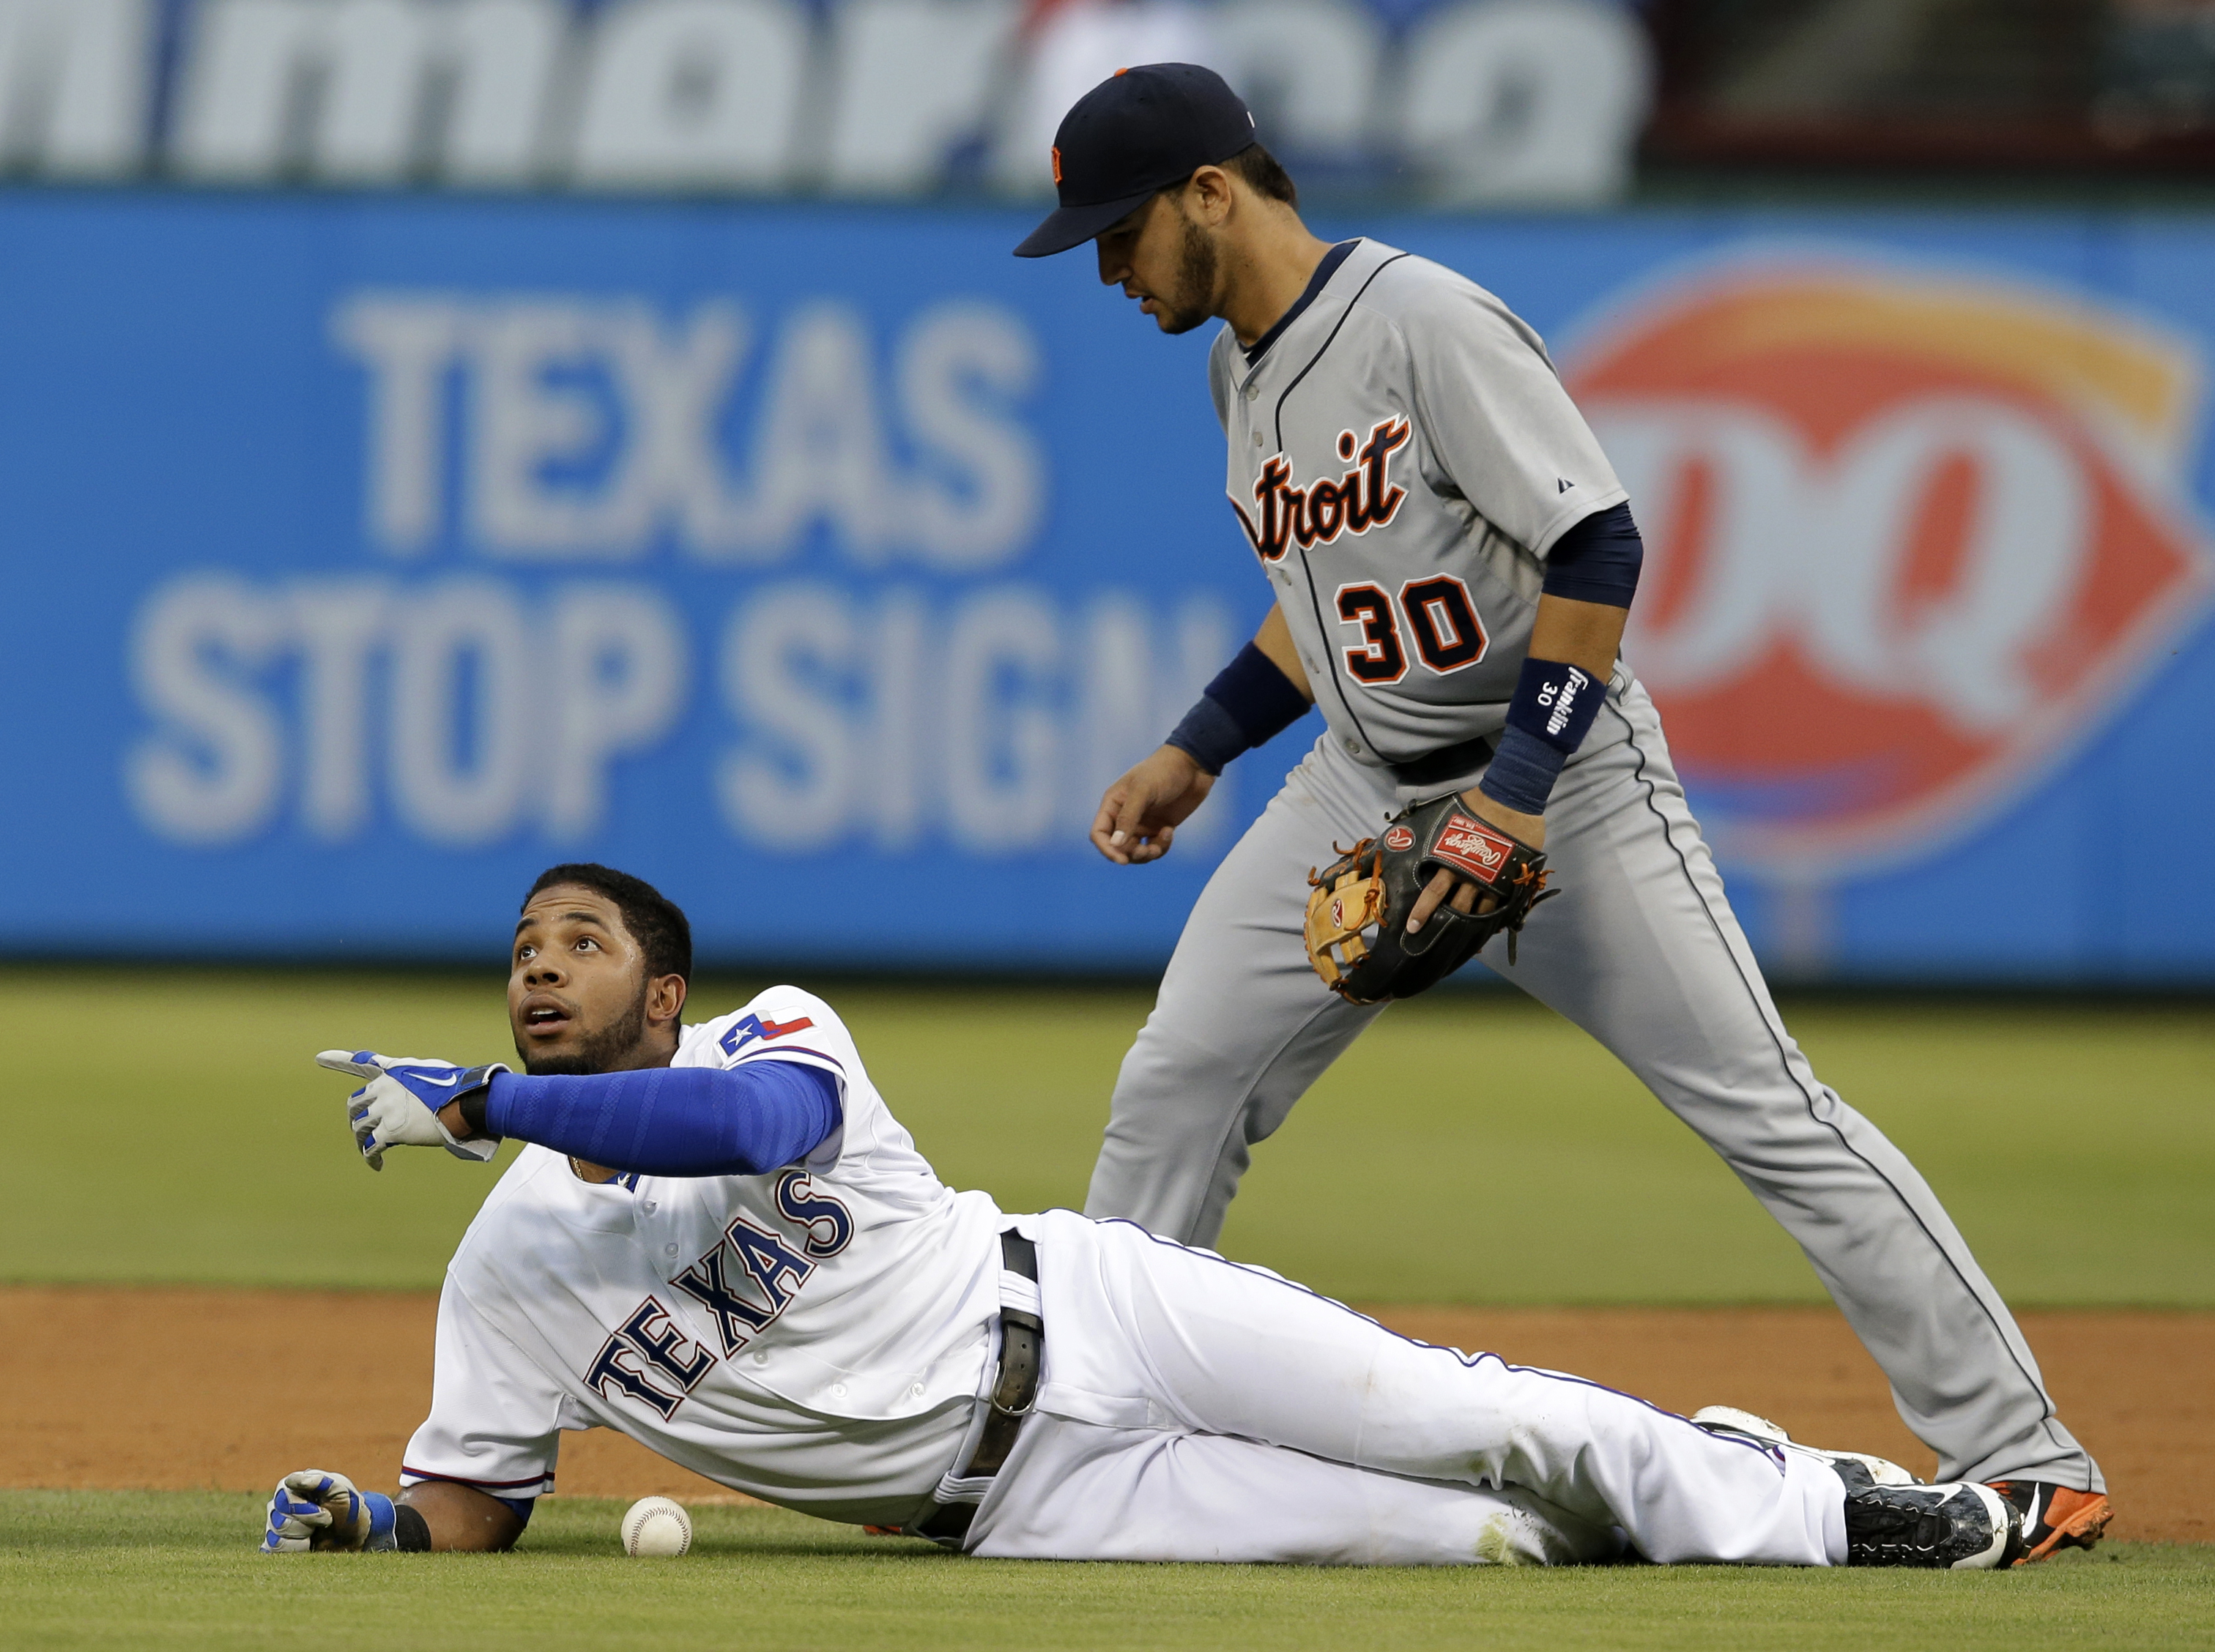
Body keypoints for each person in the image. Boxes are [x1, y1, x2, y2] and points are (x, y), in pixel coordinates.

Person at [1009, 64, 2109, 1561]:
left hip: (1560, 781)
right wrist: (1199, 746)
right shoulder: (1239, 368)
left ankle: (2028, 1455)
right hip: (1356, 782)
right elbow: (1325, 601)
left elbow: (1593, 542)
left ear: (1211, 192)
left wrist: (1516, 800)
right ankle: (1087, 1434)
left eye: (1119, 234)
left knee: (1767, 1111)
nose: (1111, 272)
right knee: (1177, 1086)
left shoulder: (1422, 322)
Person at [260, 863, 2026, 1571]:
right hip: (1037, 1503)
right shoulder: (503, 1271)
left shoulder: (776, 1034)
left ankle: (1844, 1513)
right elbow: (473, 1507)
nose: (540, 968)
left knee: (1457, 1412)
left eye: (581, 942)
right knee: (1478, 1543)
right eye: (520, 955)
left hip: (1092, 1306)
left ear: (667, 990)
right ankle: (1694, 1468)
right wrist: (368, 1530)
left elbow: (742, 1125)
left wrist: (485, 1107)